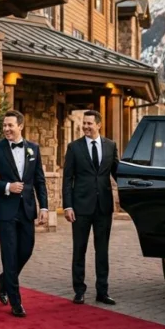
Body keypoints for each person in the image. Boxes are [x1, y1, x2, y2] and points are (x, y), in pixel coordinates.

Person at [0, 110, 48, 318]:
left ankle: (3, 280)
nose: (6, 129)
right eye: (4, 126)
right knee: (9, 255)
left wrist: (44, 207)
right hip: (5, 210)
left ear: (21, 126)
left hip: (27, 209)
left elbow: (39, 181)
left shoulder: (33, 149)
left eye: (10, 125)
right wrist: (8, 186)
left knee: (26, 250)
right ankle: (16, 301)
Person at [62, 110, 120, 305]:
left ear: (99, 125)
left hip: (103, 207)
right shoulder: (74, 148)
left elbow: (117, 173)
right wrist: (68, 206)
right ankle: (79, 290)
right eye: (84, 123)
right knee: (79, 249)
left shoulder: (111, 146)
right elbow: (67, 178)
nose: (85, 126)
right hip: (80, 207)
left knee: (102, 251)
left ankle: (102, 291)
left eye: (89, 123)